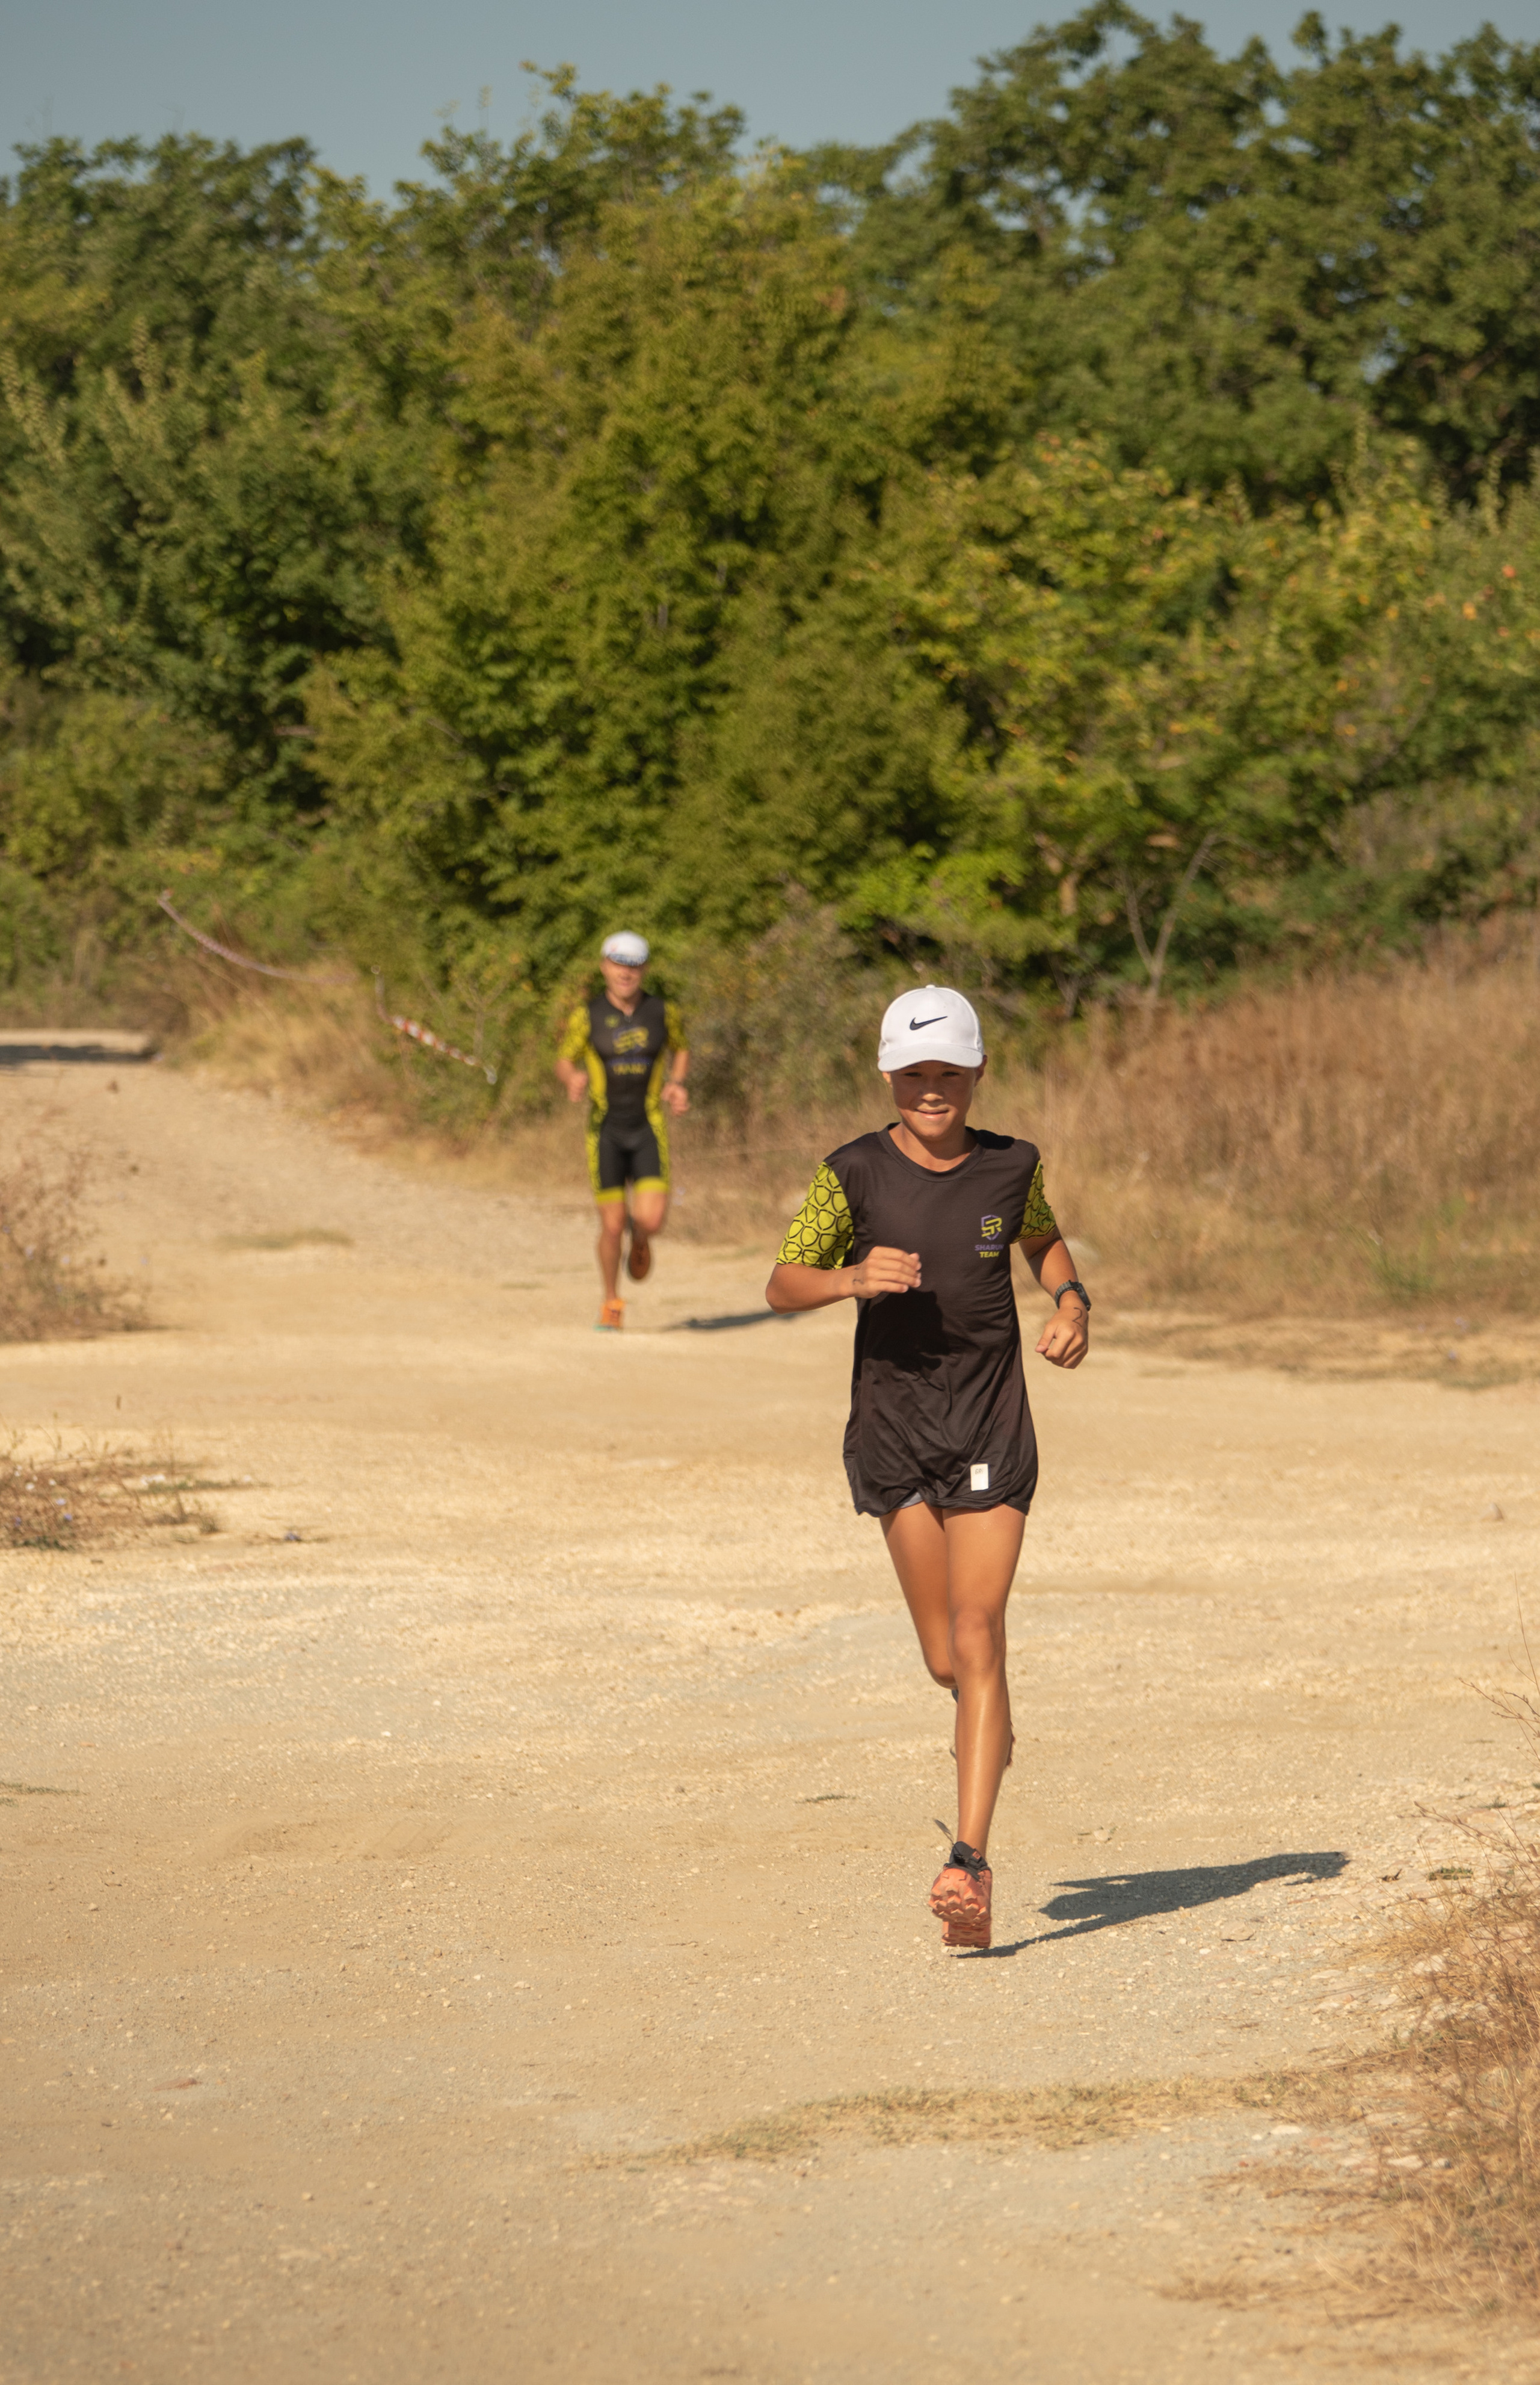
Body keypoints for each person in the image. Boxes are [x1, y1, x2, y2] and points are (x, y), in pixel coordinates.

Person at [764, 986, 1089, 1951]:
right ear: (889, 1078)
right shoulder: (852, 1175)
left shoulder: (1012, 1166)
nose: (932, 1091)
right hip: (895, 1433)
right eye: (914, 1076)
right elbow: (781, 1283)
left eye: (949, 1073)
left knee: (980, 1629)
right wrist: (850, 1278)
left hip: (989, 1423)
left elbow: (1042, 1238)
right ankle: (985, 1733)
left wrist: (1071, 1302)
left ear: (977, 1073)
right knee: (948, 1659)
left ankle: (970, 1864)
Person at [556, 932, 690, 1330]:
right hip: (605, 1132)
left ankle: (643, 1238)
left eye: (633, 966)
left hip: (648, 1128)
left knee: (650, 1221)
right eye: (618, 964)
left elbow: (681, 1048)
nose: (625, 973)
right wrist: (572, 1079)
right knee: (612, 1226)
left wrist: (677, 1083)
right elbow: (565, 1059)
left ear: (644, 970)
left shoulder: (663, 1013)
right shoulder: (588, 1015)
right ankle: (611, 1302)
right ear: (604, 967)